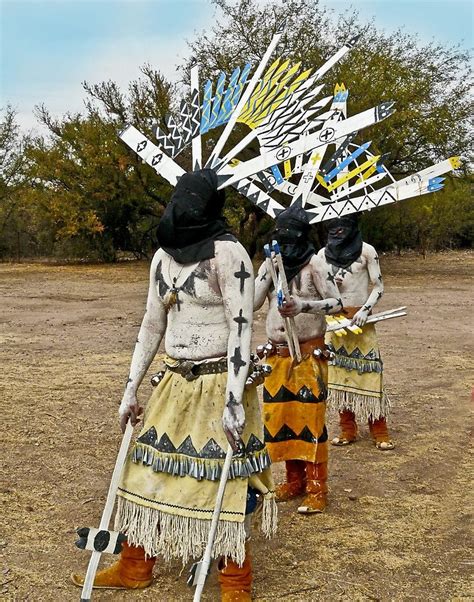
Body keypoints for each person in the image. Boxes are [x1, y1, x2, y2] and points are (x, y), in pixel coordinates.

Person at [72, 170, 276, 601]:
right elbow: (151, 322)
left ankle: (236, 584)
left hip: (220, 381)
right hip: (173, 381)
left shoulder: (230, 254)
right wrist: (131, 388)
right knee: (146, 473)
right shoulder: (162, 257)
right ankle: (134, 566)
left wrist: (235, 398)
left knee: (223, 485)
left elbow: (241, 327)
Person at [254, 202, 342, 514]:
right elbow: (251, 303)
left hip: (307, 354)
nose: (288, 246)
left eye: (293, 239)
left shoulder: (316, 265)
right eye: (282, 239)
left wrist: (304, 305)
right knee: (282, 422)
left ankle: (317, 488)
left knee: (310, 422)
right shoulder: (270, 264)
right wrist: (261, 275)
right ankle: (294, 481)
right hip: (277, 355)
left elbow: (335, 302)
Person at [319, 214, 395, 450]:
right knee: (339, 375)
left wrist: (365, 310)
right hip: (335, 323)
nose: (339, 234)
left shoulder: (367, 251)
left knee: (370, 372)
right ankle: (347, 428)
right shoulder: (322, 255)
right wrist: (330, 293)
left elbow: (378, 286)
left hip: (362, 322)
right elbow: (319, 288)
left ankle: (379, 429)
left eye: (343, 229)